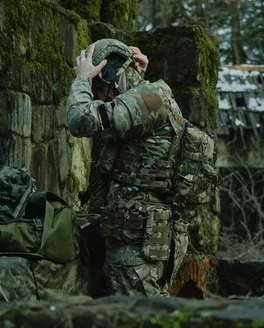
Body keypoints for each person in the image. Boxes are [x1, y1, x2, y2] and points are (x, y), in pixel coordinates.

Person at [66, 39, 189, 297]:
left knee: (143, 322)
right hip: (135, 234)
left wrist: (82, 80)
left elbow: (79, 121)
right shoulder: (144, 97)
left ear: (112, 75)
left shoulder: (150, 99)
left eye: (98, 87)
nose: (97, 96)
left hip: (139, 243)